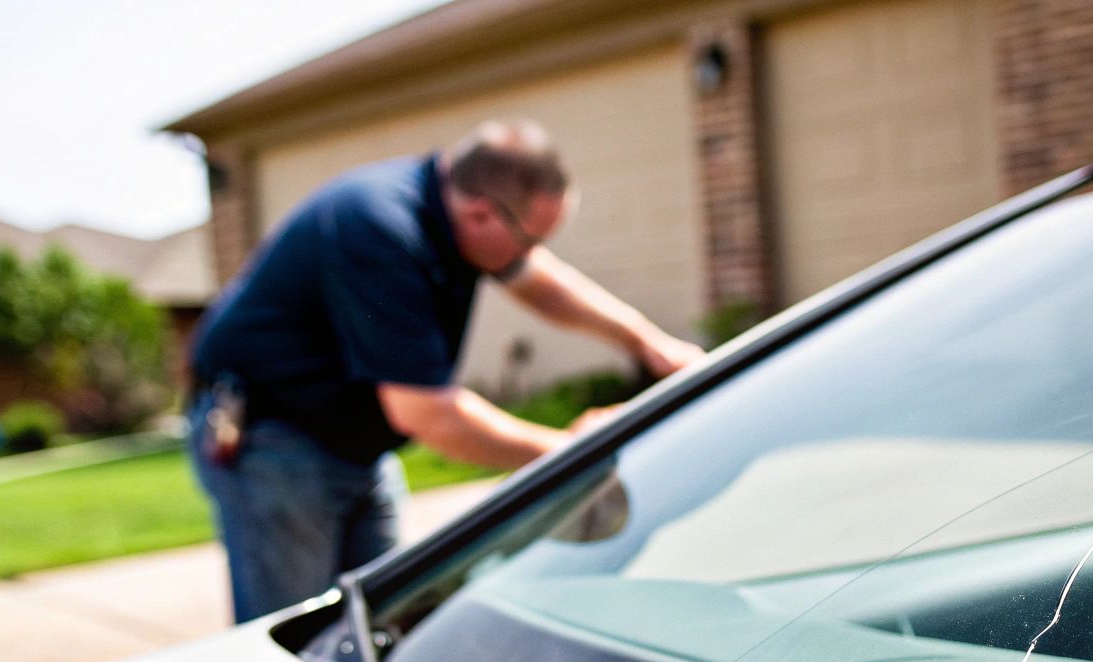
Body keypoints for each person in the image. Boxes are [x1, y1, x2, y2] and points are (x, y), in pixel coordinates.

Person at [188, 119, 706, 622]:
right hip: (275, 446)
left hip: (357, 446)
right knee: (295, 634)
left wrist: (646, 342)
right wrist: (577, 455)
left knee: (380, 622)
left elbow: (541, 284)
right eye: (529, 240)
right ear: (482, 215)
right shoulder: (378, 227)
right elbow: (429, 414)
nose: (531, 256)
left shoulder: (455, 210)